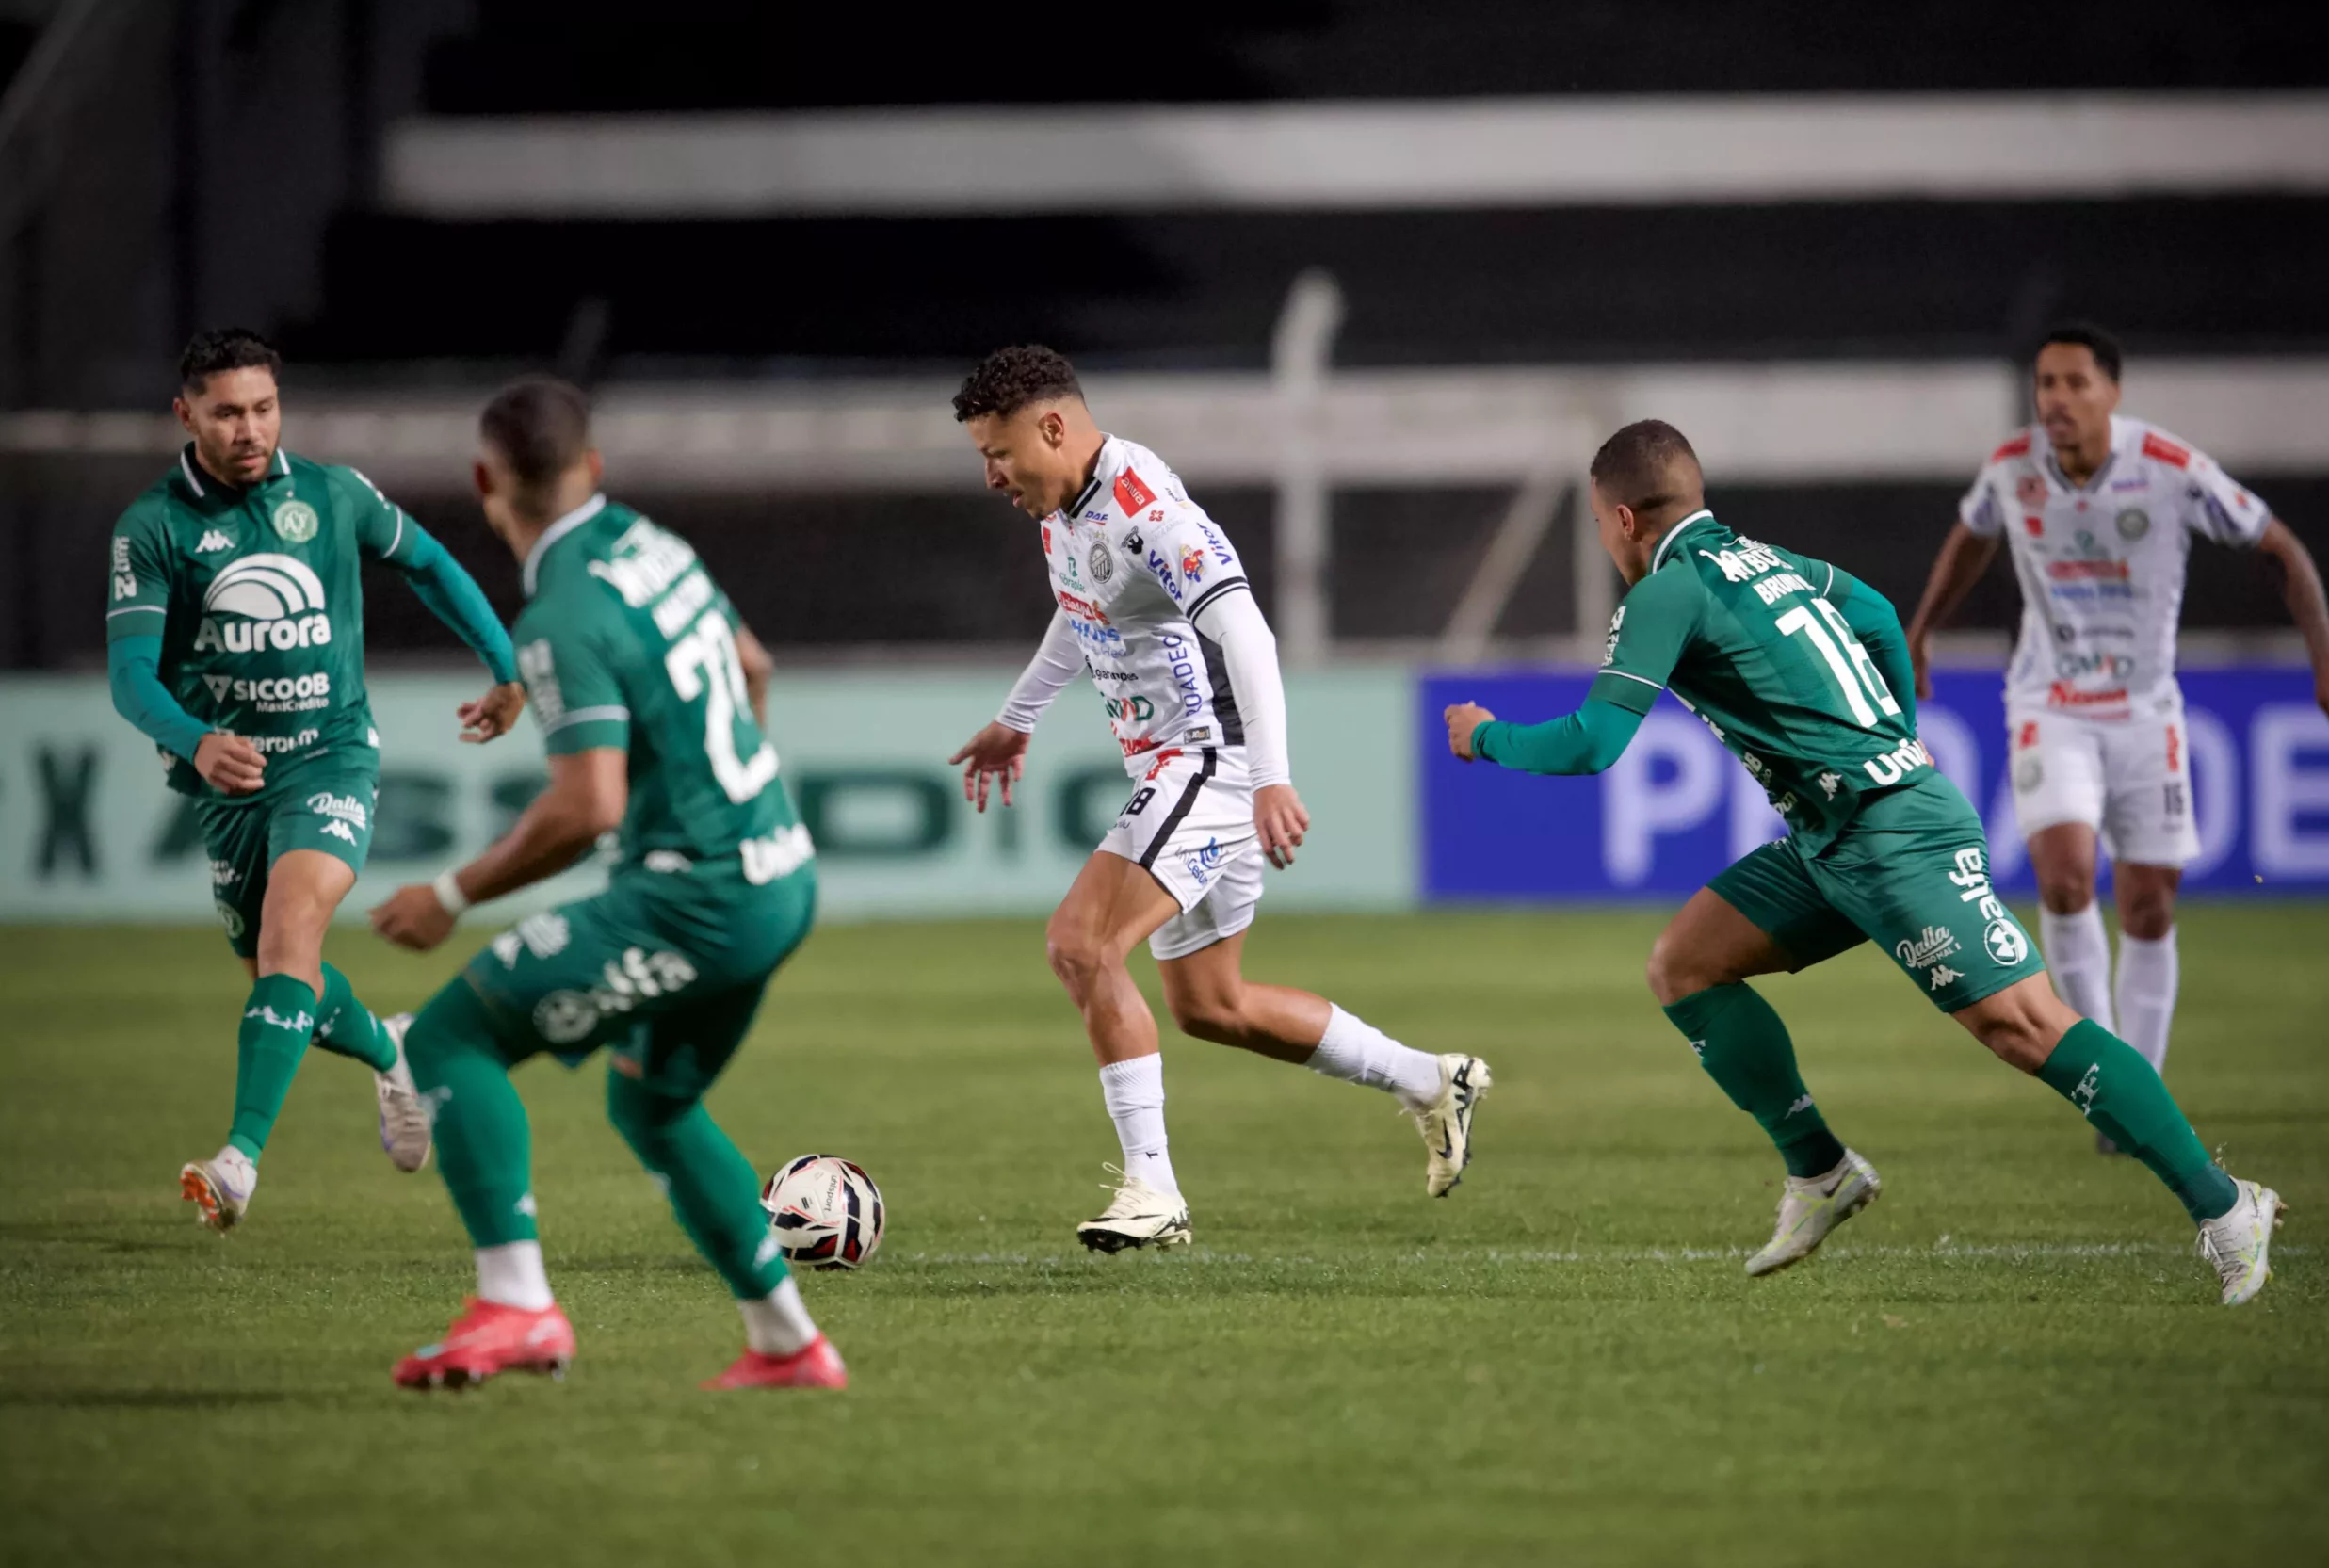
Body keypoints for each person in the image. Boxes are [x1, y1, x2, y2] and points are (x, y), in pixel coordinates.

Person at [1446, 419, 2282, 1305]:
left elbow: (1592, 744)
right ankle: (1821, 1171)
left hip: (1892, 833)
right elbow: (1879, 614)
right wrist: (1897, 738)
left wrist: (1484, 736)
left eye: (1597, 524)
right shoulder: (1765, 560)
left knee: (2025, 1025)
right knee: (1685, 966)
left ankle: (2228, 1206)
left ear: (1621, 519)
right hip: (1832, 834)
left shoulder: (1667, 590)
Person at [947, 345, 1491, 1252]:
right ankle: (1433, 1081)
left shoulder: (1147, 514)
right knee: (1211, 1004)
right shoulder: (1066, 509)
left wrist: (1271, 774)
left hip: (1208, 764)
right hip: (1181, 770)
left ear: (1053, 427)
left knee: (1082, 945)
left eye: (999, 454)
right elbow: (1082, 608)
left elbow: (1247, 632)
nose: (992, 476)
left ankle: (1153, 1191)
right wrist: (1019, 716)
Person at [369, 376, 839, 1392]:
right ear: (593, 466)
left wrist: (448, 896)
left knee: (449, 1039)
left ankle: (517, 1304)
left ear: (485, 480)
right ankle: (789, 1345)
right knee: (654, 1104)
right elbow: (753, 664)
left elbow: (588, 808)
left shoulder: (559, 614)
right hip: (780, 871)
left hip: (698, 897)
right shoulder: (652, 544)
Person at [105, 329, 524, 1231]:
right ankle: (395, 1049)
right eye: (227, 413)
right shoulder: (154, 527)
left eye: (264, 408)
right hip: (227, 781)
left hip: (331, 756)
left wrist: (505, 665)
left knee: (291, 930)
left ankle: (238, 1162)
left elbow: (429, 563)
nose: (250, 429)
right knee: (275, 973)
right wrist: (195, 739)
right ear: (185, 415)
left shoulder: (333, 495)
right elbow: (131, 677)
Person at [1904, 324, 2329, 1139]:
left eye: (2075, 383)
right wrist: (1921, 632)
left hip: (2147, 713)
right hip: (2048, 704)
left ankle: (2140, 1090)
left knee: (2149, 904)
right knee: (2065, 880)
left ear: (2112, 393)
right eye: (2046, 383)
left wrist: (2326, 663)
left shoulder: (2170, 468)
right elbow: (1973, 534)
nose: (2056, 399)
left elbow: (2281, 548)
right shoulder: (2011, 468)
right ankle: (2108, 1088)